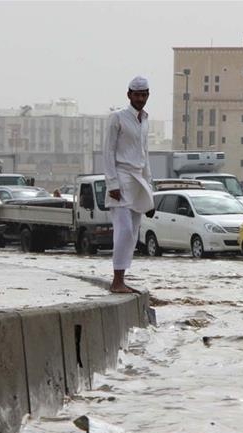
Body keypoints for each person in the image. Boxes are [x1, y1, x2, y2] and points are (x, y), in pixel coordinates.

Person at [103, 76, 154, 294]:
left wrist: (149, 188)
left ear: (148, 95)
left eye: (143, 95)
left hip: (139, 180)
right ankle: (116, 281)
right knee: (123, 231)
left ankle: (121, 279)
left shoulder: (145, 120)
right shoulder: (117, 118)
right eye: (137, 95)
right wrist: (112, 183)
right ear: (129, 95)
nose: (140, 99)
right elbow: (108, 151)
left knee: (133, 232)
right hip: (121, 178)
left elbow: (145, 154)